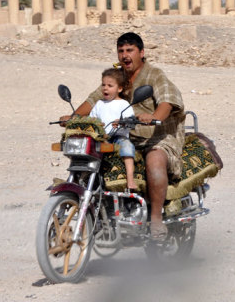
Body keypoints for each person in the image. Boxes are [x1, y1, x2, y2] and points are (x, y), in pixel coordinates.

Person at [62, 32, 185, 241]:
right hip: (122, 135)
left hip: (157, 136)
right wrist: (74, 118)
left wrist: (154, 117)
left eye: (130, 50)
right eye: (121, 51)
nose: (125, 55)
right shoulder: (116, 78)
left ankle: (156, 219)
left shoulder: (154, 75)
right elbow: (93, 100)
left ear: (141, 53)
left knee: (154, 161)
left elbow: (168, 101)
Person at [88, 68, 137, 191]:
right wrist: (95, 123)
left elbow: (131, 122)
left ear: (119, 89)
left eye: (110, 85)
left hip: (118, 137)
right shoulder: (99, 104)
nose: (105, 88)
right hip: (103, 137)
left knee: (127, 146)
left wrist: (122, 123)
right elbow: (91, 119)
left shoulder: (124, 104)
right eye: (103, 85)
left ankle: (130, 178)